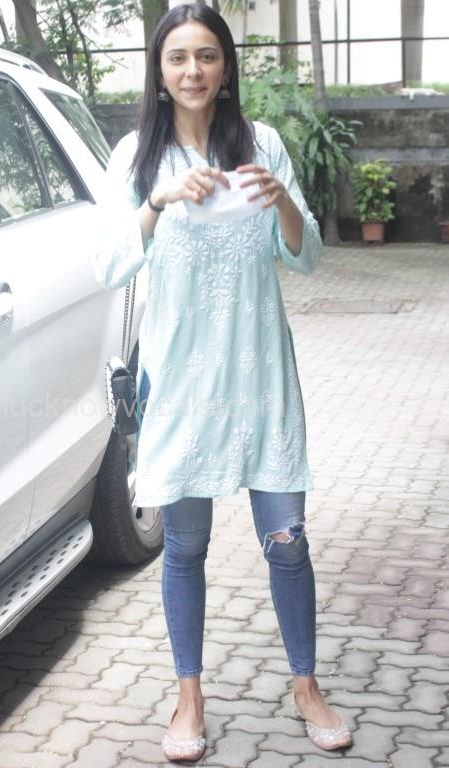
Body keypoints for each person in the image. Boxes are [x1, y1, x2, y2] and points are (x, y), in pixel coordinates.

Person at [92, 2, 352, 761]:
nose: (193, 70)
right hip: (180, 381)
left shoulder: (261, 144)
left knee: (288, 542)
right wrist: (157, 203)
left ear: (226, 66)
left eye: (207, 55)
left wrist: (284, 201)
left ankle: (306, 685)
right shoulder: (136, 156)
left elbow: (305, 256)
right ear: (159, 70)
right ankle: (189, 696)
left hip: (260, 374)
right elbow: (107, 265)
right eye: (178, 57)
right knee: (184, 545)